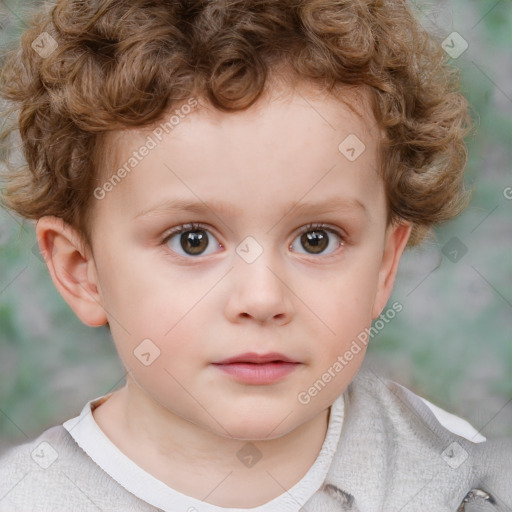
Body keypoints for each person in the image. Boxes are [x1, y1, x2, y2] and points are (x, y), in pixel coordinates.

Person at [0, 0, 510, 510]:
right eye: (192, 240)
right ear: (80, 272)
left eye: (316, 239)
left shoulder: (456, 478)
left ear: (383, 266)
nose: (262, 298)